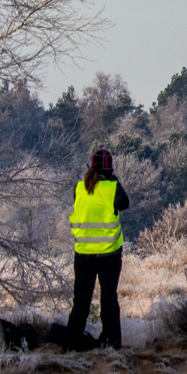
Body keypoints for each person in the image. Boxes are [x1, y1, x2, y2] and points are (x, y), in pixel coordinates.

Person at [67, 148, 129, 349]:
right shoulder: (113, 188)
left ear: (90, 167)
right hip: (109, 254)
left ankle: (71, 342)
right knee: (109, 299)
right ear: (110, 170)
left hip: (83, 254)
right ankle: (113, 344)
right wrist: (115, 180)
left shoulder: (79, 188)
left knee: (81, 301)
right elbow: (125, 203)